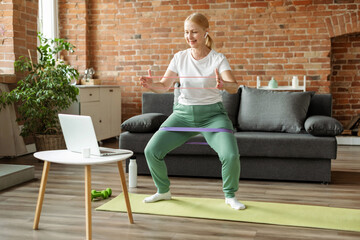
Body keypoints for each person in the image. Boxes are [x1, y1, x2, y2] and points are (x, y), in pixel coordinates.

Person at [139, 13, 245, 210]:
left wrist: (223, 84)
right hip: (183, 115)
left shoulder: (218, 59)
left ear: (206, 33)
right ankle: (163, 191)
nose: (190, 36)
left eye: (194, 31)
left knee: (230, 155)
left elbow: (234, 87)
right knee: (151, 150)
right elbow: (164, 86)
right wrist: (151, 84)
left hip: (213, 116)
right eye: (186, 32)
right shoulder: (179, 57)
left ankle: (230, 195)